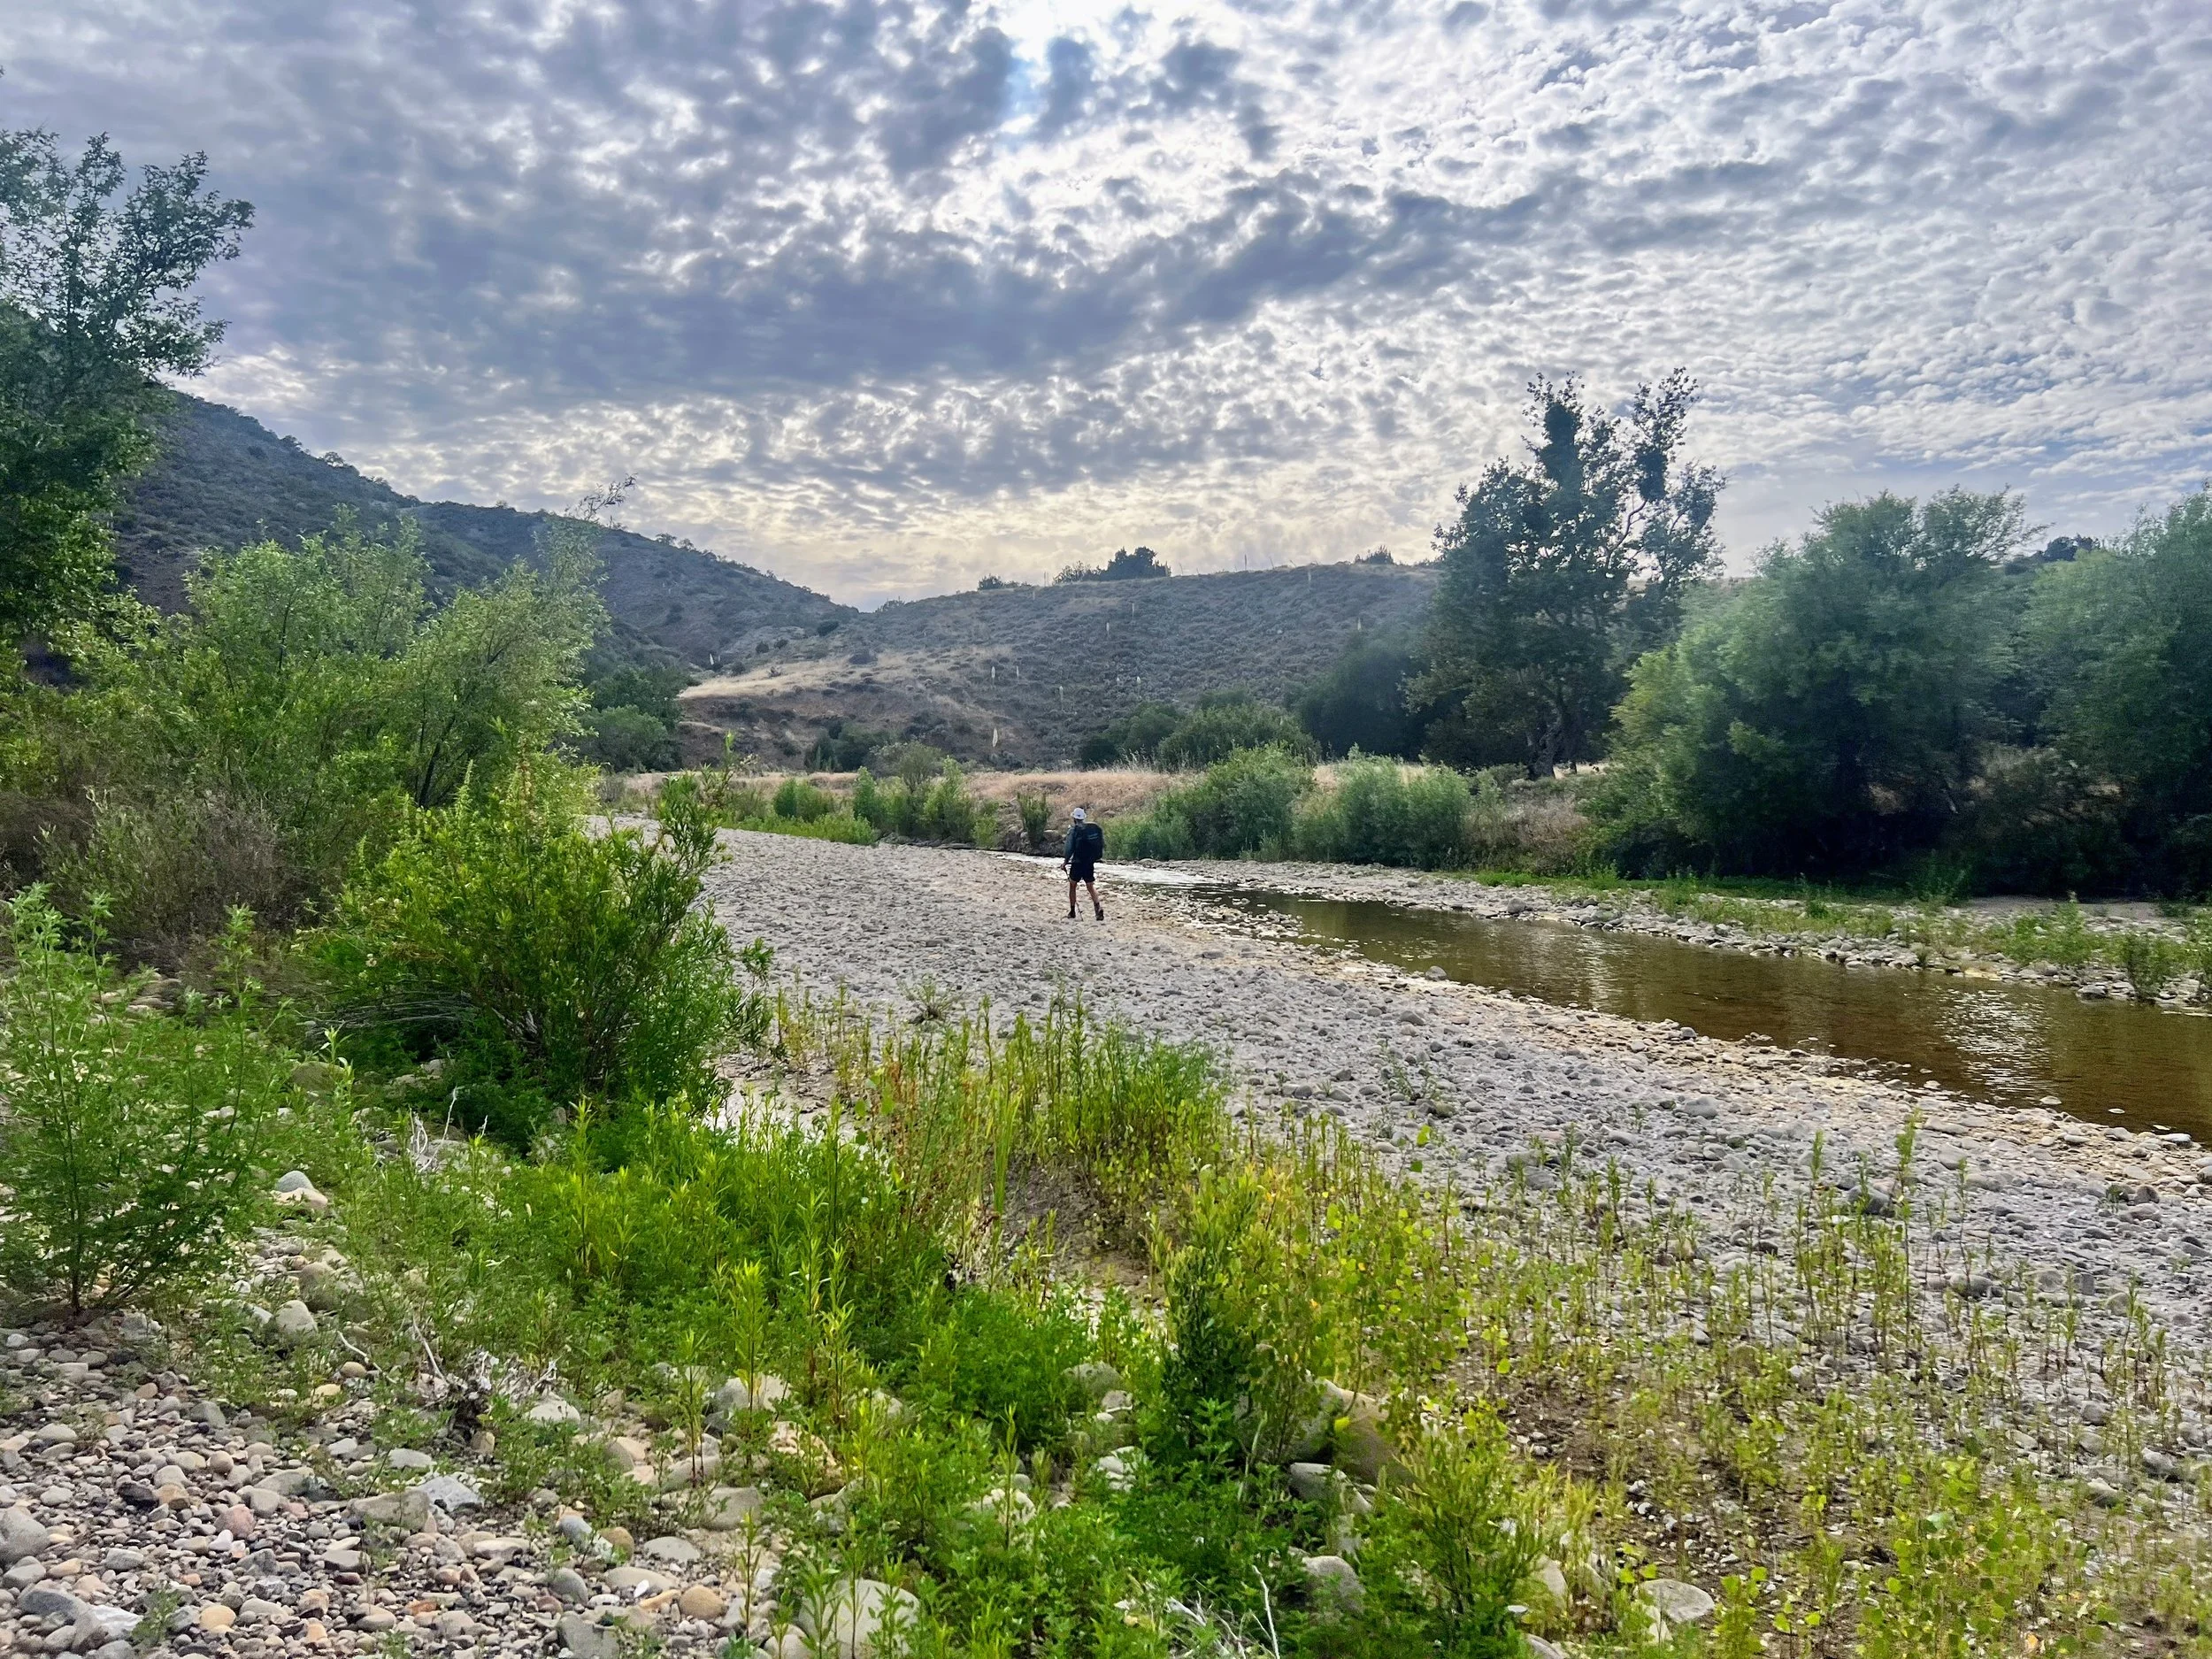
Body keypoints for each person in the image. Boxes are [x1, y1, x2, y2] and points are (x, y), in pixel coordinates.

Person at [1062, 806, 1105, 920]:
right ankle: (1098, 908)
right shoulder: (1092, 829)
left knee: (1072, 885)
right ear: (1083, 818)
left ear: (1074, 819)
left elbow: (1069, 849)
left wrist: (1065, 862)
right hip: (1089, 862)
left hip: (1077, 862)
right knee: (1090, 886)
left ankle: (1072, 911)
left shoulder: (1073, 831)